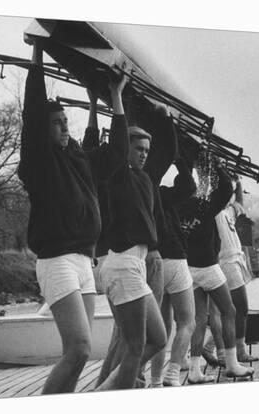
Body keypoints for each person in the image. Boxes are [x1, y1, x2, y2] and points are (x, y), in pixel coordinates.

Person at [18, 42, 128, 394]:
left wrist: (115, 97)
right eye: (57, 124)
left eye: (66, 122)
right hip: (57, 262)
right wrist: (36, 59)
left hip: (84, 262)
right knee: (79, 348)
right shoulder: (40, 162)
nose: (64, 128)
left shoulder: (79, 159)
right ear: (44, 130)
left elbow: (117, 154)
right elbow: (33, 111)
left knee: (80, 354)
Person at [94, 109, 167, 390]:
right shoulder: (116, 176)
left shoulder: (144, 179)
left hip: (136, 265)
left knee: (158, 339)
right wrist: (118, 102)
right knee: (135, 345)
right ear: (125, 149)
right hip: (122, 264)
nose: (144, 154)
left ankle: (104, 391)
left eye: (147, 149)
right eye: (138, 148)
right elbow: (116, 144)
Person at [177, 159, 254, 384]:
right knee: (229, 311)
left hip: (188, 269)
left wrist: (185, 164)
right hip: (209, 266)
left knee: (199, 319)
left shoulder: (176, 207)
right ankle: (232, 363)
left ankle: (193, 369)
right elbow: (225, 189)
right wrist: (213, 162)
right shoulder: (204, 206)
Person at [148, 154, 198, 387]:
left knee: (163, 328)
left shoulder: (136, 189)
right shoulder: (162, 195)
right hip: (175, 260)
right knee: (188, 322)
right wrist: (179, 159)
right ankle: (172, 374)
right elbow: (188, 186)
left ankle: (156, 380)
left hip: (152, 262)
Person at [202, 176, 259, 366]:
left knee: (228, 311)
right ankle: (240, 351)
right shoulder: (215, 210)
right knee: (239, 308)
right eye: (230, 191)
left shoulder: (227, 211)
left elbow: (239, 204)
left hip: (235, 260)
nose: (232, 195)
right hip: (226, 262)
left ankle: (211, 347)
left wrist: (240, 184)